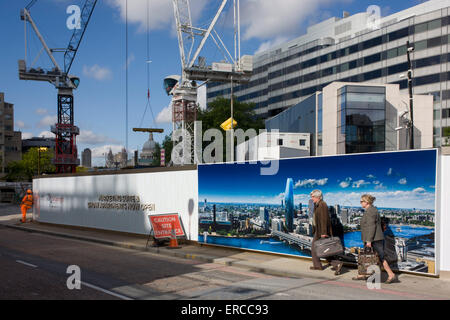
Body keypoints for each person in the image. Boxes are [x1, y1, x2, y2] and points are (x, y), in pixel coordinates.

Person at [354, 194, 397, 283]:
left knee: (380, 257)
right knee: (366, 257)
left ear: (367, 202)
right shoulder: (371, 210)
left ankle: (391, 274)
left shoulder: (370, 211)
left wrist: (369, 241)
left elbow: (371, 227)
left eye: (361, 201)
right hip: (372, 238)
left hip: (374, 239)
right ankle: (363, 274)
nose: (360, 203)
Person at [309, 189, 343, 275]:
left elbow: (324, 219)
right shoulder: (317, 205)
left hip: (321, 231)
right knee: (323, 249)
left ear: (318, 197)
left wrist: (324, 232)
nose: (311, 198)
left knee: (319, 249)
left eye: (313, 197)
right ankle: (320, 265)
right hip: (318, 230)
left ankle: (335, 263)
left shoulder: (322, 205)